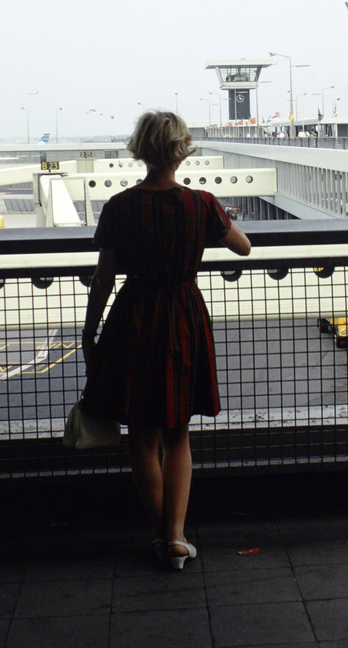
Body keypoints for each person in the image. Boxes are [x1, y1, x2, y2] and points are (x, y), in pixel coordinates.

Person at [80, 111, 251, 571]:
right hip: (183, 315)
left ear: (139, 150)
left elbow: (103, 278)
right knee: (178, 434)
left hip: (133, 316)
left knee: (141, 434)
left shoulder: (119, 207)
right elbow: (243, 246)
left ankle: (162, 536)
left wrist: (88, 331)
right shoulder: (201, 203)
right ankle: (176, 538)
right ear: (182, 150)